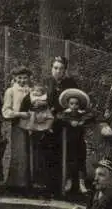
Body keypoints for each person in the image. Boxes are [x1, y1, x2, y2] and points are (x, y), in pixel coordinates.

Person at [44, 56, 80, 197]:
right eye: (55, 68)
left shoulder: (71, 84)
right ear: (51, 68)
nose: (58, 71)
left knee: (70, 153)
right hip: (49, 123)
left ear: (65, 70)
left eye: (61, 69)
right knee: (49, 153)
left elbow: (76, 103)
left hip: (66, 123)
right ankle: (50, 186)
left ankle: (70, 186)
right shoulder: (46, 82)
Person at [57, 88, 95, 196]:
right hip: (67, 142)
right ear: (68, 104)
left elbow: (92, 115)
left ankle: (81, 183)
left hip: (79, 142)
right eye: (71, 103)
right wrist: (70, 121)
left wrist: (81, 121)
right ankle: (68, 182)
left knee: (81, 161)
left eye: (76, 104)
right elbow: (59, 116)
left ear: (79, 105)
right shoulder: (65, 113)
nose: (74, 106)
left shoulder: (81, 114)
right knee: (68, 160)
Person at [18, 80, 55, 190]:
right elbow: (24, 108)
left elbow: (50, 105)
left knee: (43, 152)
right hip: (33, 117)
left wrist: (44, 104)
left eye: (39, 91)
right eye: (34, 90)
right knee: (34, 151)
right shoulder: (28, 97)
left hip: (44, 116)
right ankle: (33, 179)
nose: (36, 92)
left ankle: (47, 128)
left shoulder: (45, 97)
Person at [1, 66, 32, 192]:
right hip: (18, 124)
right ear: (14, 78)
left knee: (30, 152)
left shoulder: (32, 90)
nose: (22, 80)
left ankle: (29, 183)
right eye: (19, 78)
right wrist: (19, 114)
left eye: (25, 78)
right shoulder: (11, 91)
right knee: (19, 152)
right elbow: (6, 110)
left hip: (33, 125)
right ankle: (15, 184)